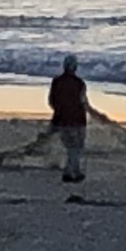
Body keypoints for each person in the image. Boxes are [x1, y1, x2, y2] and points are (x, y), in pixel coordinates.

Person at [49, 54, 91, 184]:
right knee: (76, 147)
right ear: (75, 68)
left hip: (61, 120)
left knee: (70, 147)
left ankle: (69, 171)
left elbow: (51, 101)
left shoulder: (56, 82)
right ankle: (74, 172)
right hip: (77, 120)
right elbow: (84, 102)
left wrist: (60, 112)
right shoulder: (80, 83)